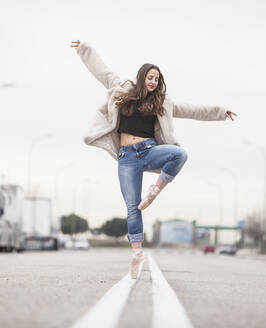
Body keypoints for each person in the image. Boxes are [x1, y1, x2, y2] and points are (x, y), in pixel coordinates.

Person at [71, 40, 237, 279]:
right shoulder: (122, 91)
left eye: (156, 79)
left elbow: (192, 110)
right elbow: (101, 70)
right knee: (132, 207)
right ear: (142, 77)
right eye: (150, 77)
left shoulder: (162, 102)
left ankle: (155, 191)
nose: (153, 82)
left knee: (180, 154)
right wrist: (83, 48)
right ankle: (137, 253)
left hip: (148, 151)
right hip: (127, 158)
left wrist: (220, 112)